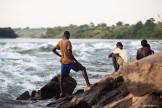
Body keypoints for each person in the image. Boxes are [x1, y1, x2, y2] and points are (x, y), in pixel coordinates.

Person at [52, 31, 91, 96]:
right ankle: (88, 84)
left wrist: (61, 56)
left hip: (63, 62)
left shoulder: (60, 42)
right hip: (69, 62)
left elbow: (53, 50)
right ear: (67, 35)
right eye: (69, 36)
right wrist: (76, 61)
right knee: (83, 69)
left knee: (62, 77)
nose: (69, 37)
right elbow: (70, 53)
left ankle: (62, 92)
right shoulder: (68, 42)